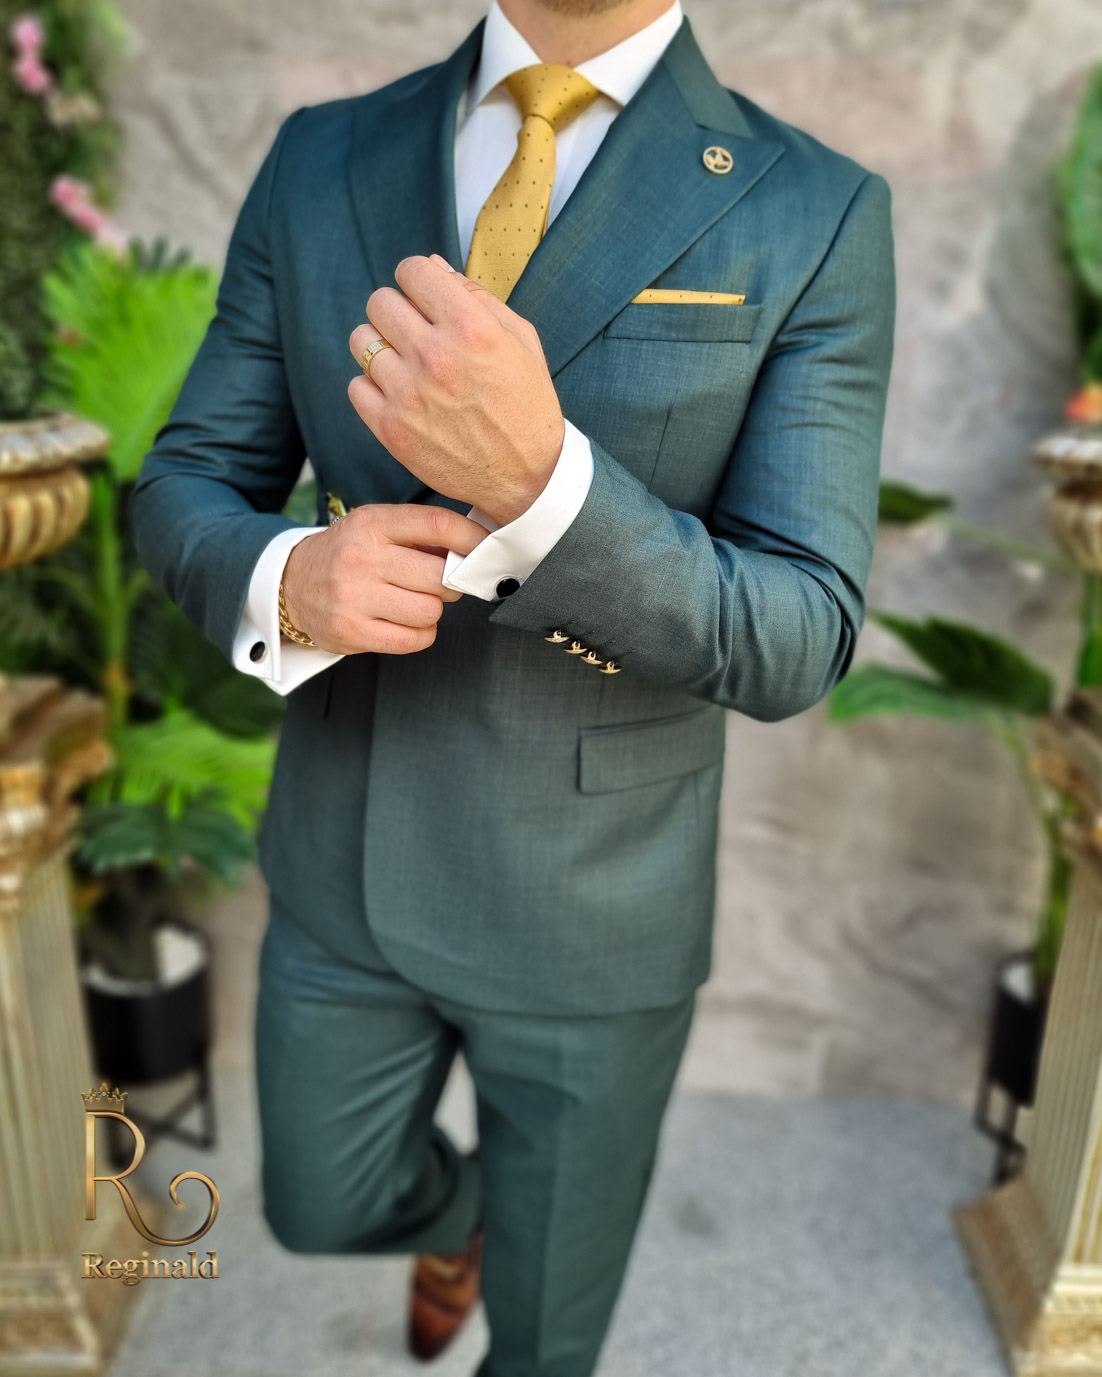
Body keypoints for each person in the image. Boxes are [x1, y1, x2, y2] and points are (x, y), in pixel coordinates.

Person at [128, 0, 895, 1371]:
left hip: (597, 895)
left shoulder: (814, 209)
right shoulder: (320, 155)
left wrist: (546, 488)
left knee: (544, 1344)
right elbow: (188, 479)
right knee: (316, 1206)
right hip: (345, 851)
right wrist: (284, 576)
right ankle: (465, 1223)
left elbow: (799, 629)